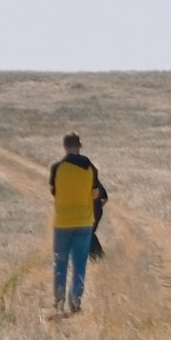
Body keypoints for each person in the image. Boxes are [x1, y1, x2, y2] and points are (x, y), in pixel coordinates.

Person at [49, 131, 107, 316]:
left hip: (62, 222)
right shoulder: (90, 168)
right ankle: (75, 300)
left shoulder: (57, 168)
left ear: (65, 146)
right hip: (84, 222)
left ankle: (59, 300)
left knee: (60, 263)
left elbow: (54, 191)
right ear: (80, 146)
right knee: (80, 263)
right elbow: (96, 194)